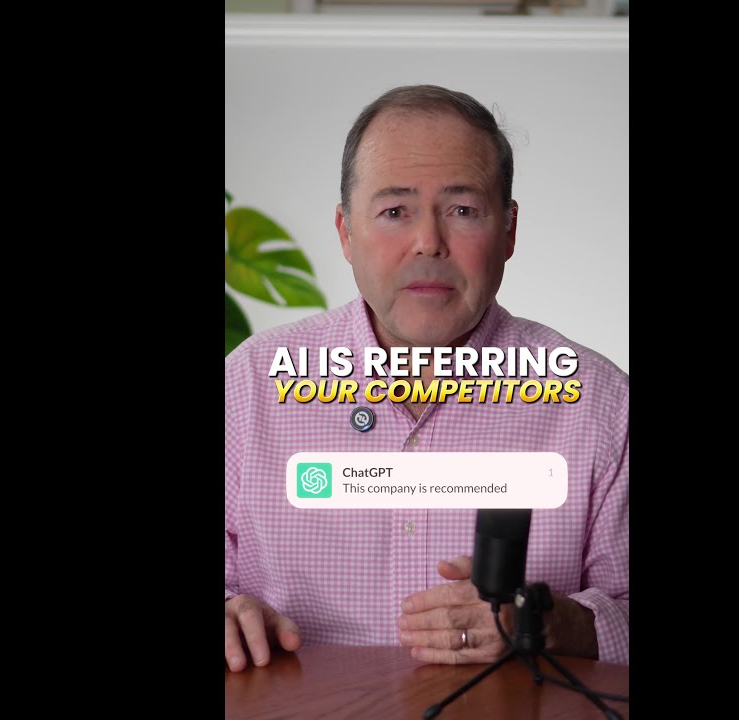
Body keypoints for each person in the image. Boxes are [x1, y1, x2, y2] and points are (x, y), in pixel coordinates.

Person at [225, 85, 629, 673]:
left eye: (462, 210)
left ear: (509, 231)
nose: (429, 243)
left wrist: (550, 623)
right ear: (345, 232)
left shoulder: (602, 404)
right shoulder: (246, 387)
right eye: (395, 212)